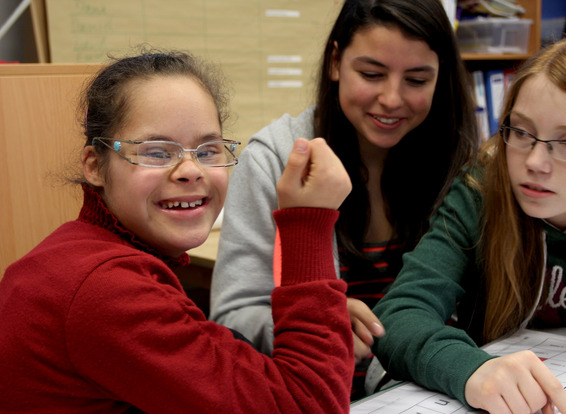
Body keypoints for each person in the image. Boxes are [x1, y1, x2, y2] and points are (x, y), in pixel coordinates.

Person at [0, 50, 355, 413]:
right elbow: (310, 405)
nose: (190, 170)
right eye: (156, 151)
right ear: (94, 166)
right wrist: (308, 221)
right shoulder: (104, 290)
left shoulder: (84, 254)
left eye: (207, 150)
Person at [209, 0, 479, 400]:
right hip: (318, 396)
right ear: (336, 62)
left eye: (417, 80)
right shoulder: (276, 159)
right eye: (371, 74)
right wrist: (317, 320)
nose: (391, 98)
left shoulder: (460, 162)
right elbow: (233, 318)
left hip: (430, 391)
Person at [372, 31, 566, 414]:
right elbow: (400, 314)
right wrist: (472, 369)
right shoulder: (480, 191)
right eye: (520, 131)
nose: (535, 161)